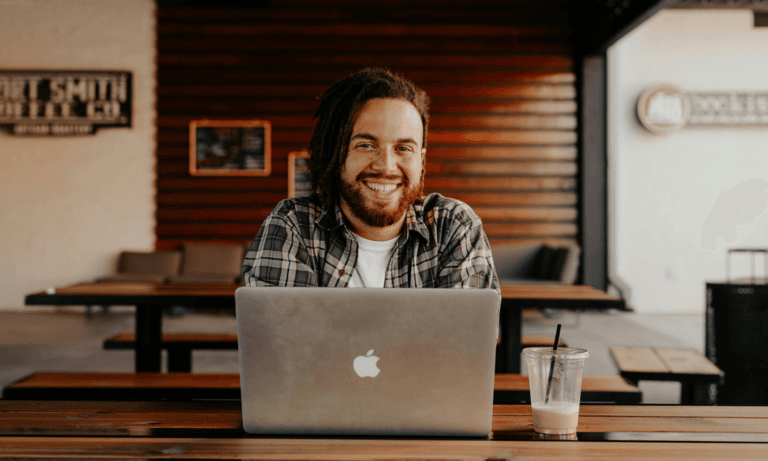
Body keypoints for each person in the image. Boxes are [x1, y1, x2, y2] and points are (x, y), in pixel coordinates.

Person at [242, 67, 499, 291]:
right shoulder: (293, 227)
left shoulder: (454, 227)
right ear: (336, 152)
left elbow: (463, 345)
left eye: (403, 148)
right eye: (366, 145)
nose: (385, 166)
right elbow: (282, 343)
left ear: (421, 160)